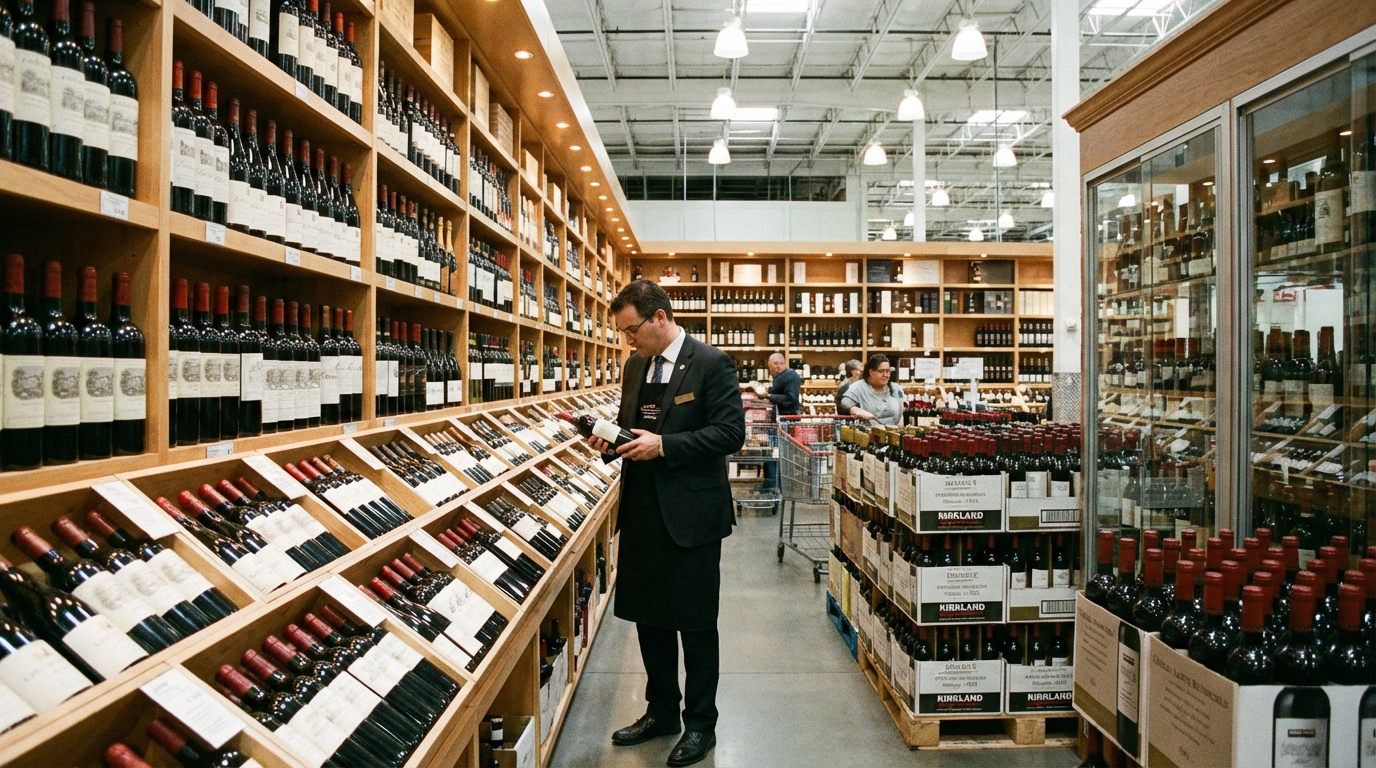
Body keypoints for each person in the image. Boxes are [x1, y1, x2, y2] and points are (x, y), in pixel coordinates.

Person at [587, 279, 745, 767]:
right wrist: (611, 441)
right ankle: (661, 712)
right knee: (650, 618)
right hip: (642, 510)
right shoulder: (636, 365)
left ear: (660, 317)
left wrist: (665, 446)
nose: (627, 340)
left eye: (632, 329)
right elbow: (633, 427)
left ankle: (700, 725)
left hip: (692, 516)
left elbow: (730, 433)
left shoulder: (711, 363)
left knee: (695, 624)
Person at [841, 354, 905, 425]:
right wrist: (855, 410)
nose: (885, 375)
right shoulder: (858, 387)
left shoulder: (896, 389)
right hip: (867, 431)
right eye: (881, 371)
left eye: (888, 371)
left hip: (893, 430)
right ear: (871, 372)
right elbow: (844, 403)